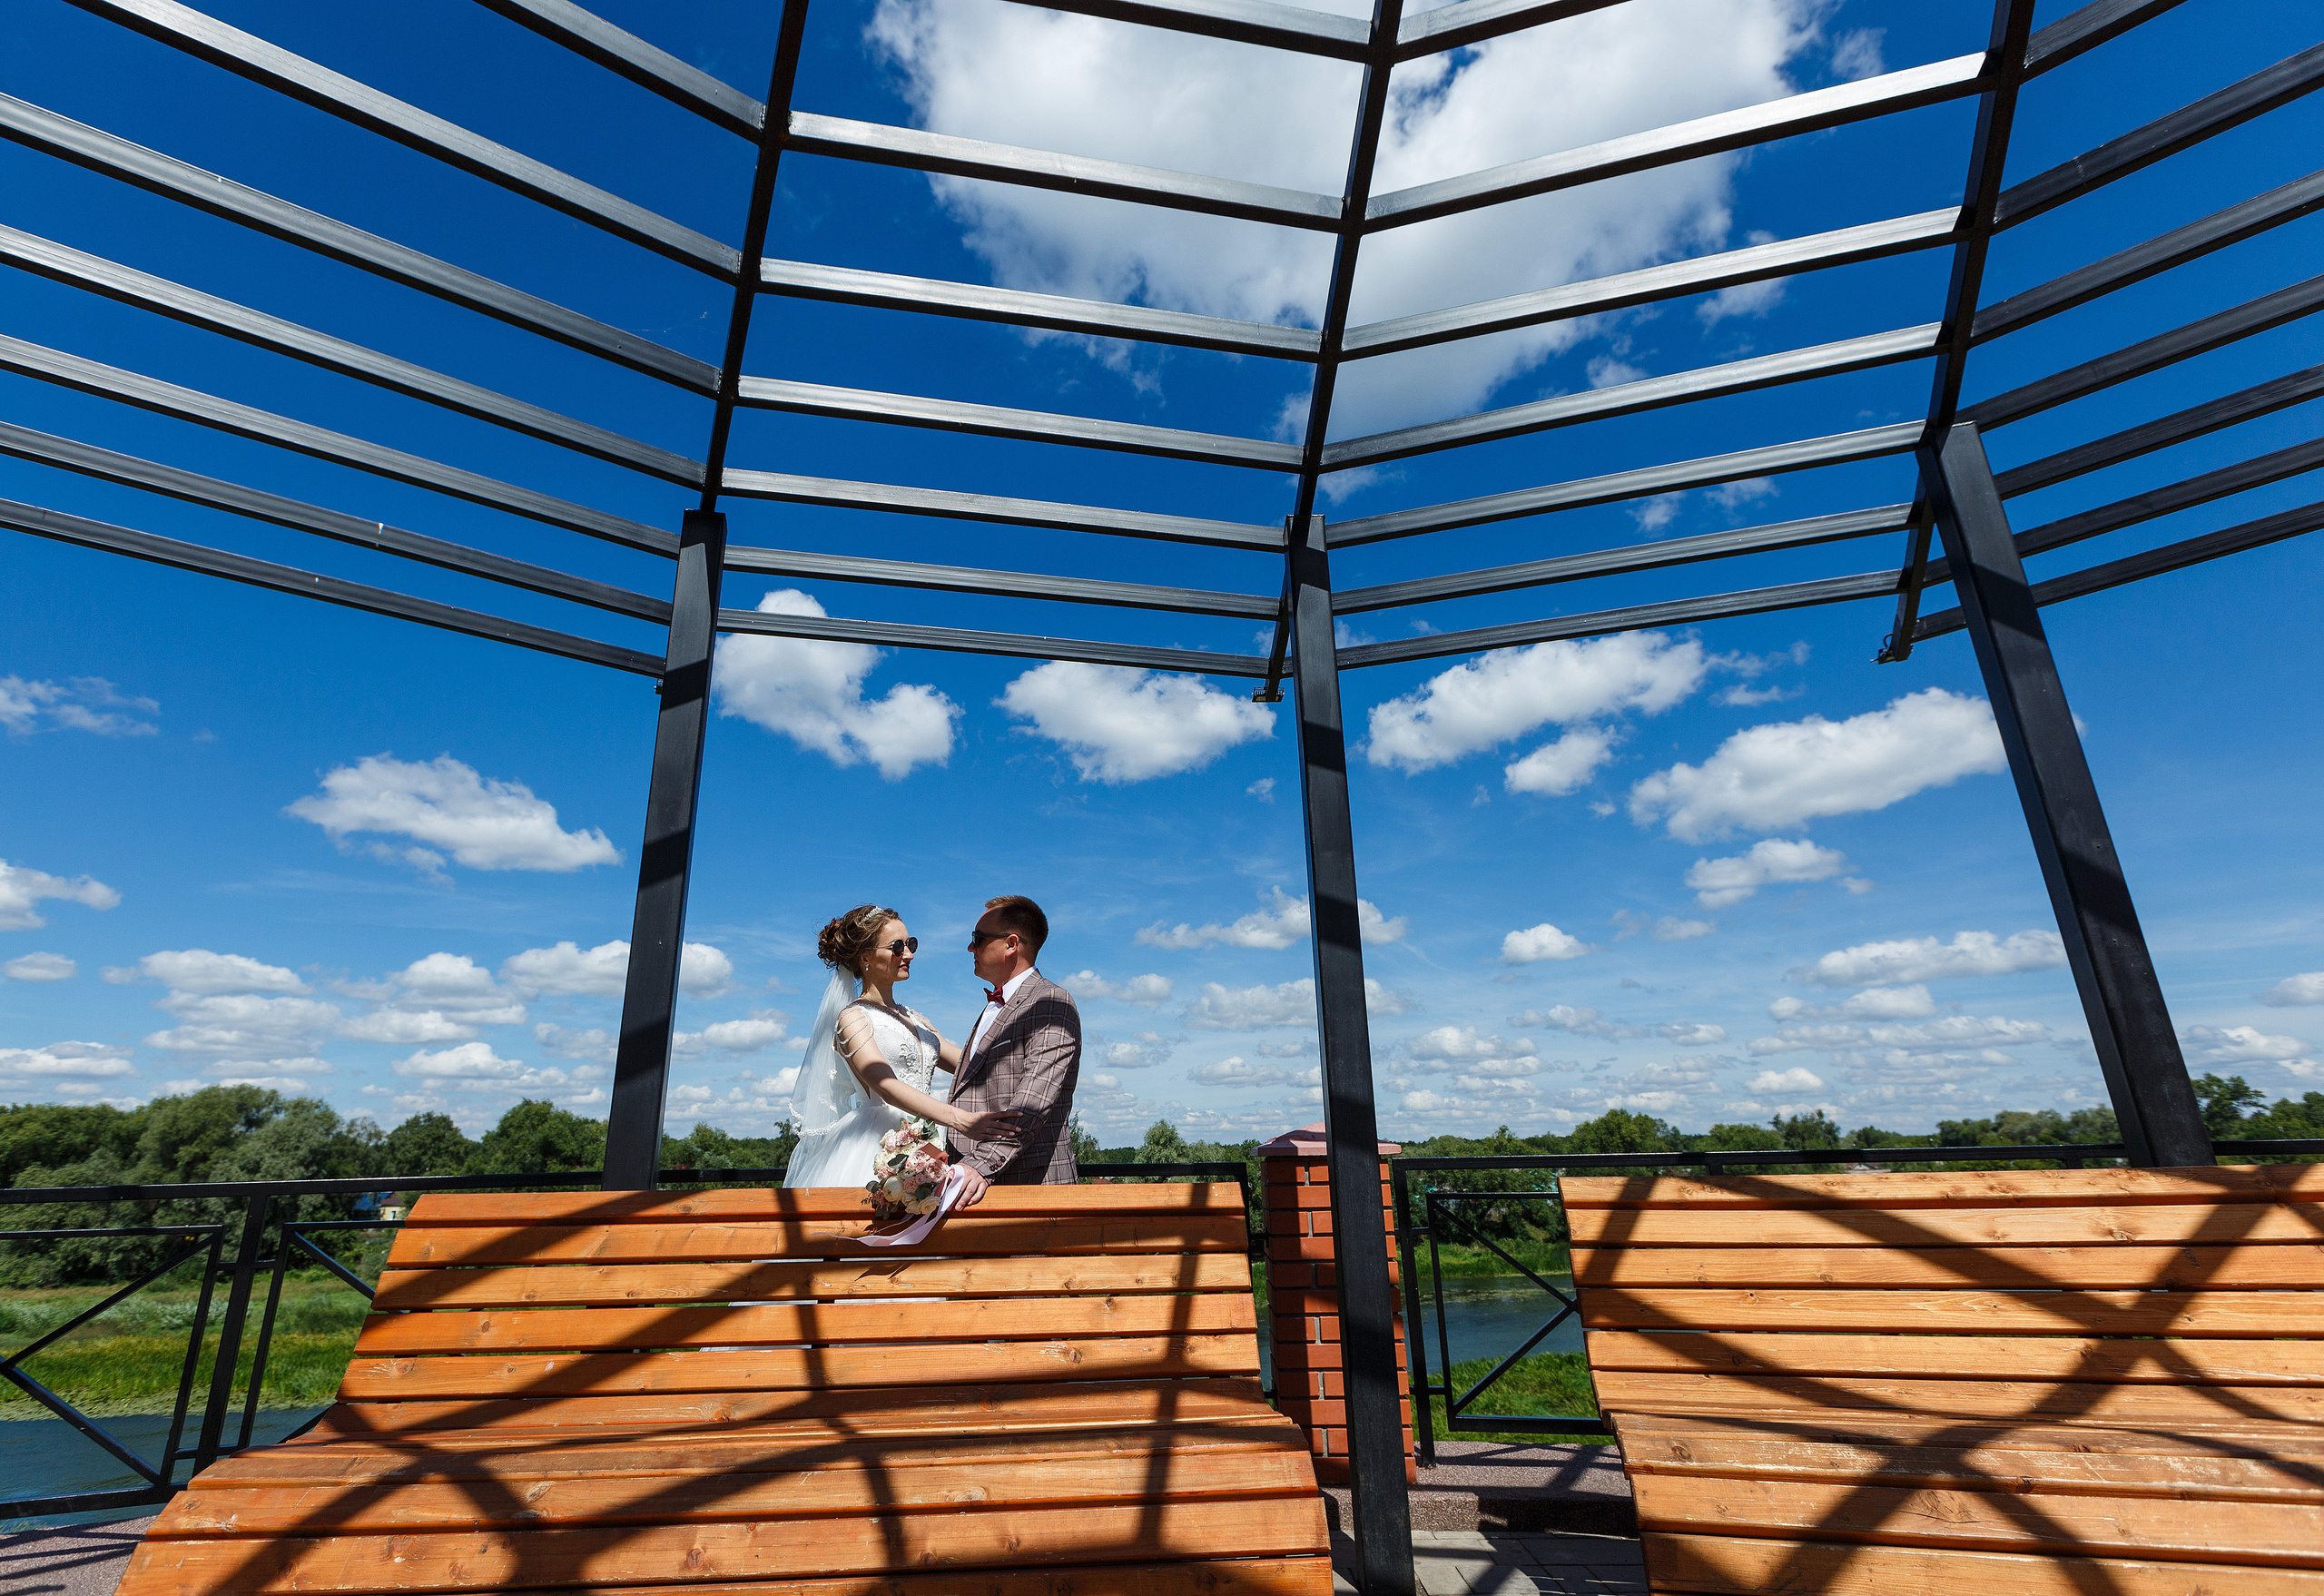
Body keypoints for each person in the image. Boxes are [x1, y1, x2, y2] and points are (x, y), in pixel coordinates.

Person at [783, 903, 1021, 1193]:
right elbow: (886, 1086)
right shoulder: (852, 1018)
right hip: (878, 1143)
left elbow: (970, 1063)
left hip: (930, 1139)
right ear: (865, 956)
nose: (908, 954)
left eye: (911, 944)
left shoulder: (916, 1018)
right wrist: (960, 1119)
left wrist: (1018, 1037)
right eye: (897, 946)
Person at [947, 894, 1081, 1193]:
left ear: (1011, 944)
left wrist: (976, 1166)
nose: (971, 947)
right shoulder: (996, 1006)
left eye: (978, 938)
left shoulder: (1050, 1002)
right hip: (975, 1186)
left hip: (1028, 1187)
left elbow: (1031, 1104)